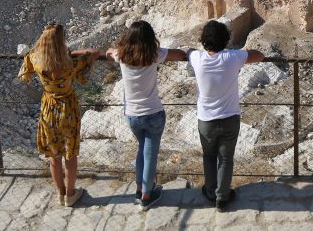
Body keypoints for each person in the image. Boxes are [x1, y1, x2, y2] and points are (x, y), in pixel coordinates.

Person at [18, 23, 105, 207]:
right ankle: (71, 195)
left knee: (54, 156)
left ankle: (60, 193)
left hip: (48, 109)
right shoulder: (71, 63)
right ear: (61, 42)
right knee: (70, 155)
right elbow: (95, 52)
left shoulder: (35, 59)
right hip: (68, 109)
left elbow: (26, 70)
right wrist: (72, 52)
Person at [188, 20, 266, 212]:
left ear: (204, 41)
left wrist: (193, 50)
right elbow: (260, 55)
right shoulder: (233, 57)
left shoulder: (197, 58)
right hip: (230, 118)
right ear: (226, 40)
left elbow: (188, 52)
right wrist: (237, 50)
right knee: (226, 159)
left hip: (206, 120)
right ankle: (222, 198)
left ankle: (210, 191)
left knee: (209, 157)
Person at [108, 21, 186, 210]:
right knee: (150, 154)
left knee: (142, 149)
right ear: (150, 38)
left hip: (132, 116)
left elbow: (109, 51)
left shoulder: (121, 54)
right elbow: (180, 55)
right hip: (153, 113)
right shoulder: (154, 54)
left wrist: (111, 50)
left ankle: (139, 188)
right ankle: (146, 195)